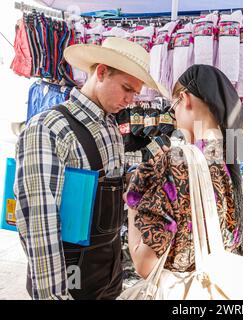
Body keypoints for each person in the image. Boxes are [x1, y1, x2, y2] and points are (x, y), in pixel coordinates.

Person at [14, 37, 165, 300]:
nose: (130, 100)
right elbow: (39, 222)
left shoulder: (111, 128)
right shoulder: (49, 128)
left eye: (135, 93)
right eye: (126, 88)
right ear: (102, 71)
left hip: (108, 271)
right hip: (71, 276)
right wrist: (53, 296)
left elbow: (108, 183)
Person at [124, 65, 243, 279]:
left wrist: (134, 197)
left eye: (174, 106)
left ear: (185, 99)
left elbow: (145, 265)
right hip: (220, 284)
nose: (174, 114)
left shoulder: (176, 166)